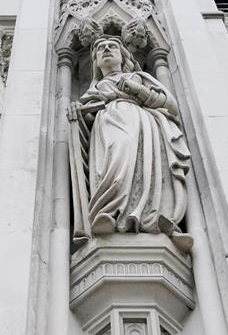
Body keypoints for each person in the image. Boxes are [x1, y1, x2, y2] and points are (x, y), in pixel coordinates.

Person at [68, 36, 192, 251]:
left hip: (142, 123)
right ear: (95, 61)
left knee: (148, 169)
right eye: (100, 49)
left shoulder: (139, 76)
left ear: (123, 56)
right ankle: (109, 214)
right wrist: (77, 114)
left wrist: (138, 90)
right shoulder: (96, 88)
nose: (106, 49)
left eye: (112, 46)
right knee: (117, 161)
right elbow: (85, 125)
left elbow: (170, 105)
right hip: (108, 125)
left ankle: (155, 220)